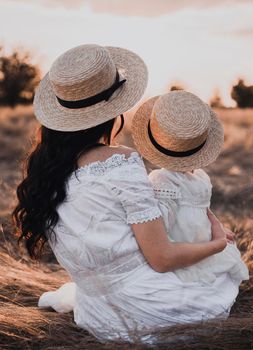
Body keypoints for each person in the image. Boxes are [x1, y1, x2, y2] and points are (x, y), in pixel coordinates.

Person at [13, 44, 238, 343]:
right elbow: (162, 258)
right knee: (225, 275)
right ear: (112, 111)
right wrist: (218, 244)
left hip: (96, 313)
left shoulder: (44, 171)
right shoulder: (120, 162)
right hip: (154, 311)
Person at [131, 90, 249, 285]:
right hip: (191, 246)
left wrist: (216, 231)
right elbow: (180, 221)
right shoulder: (189, 177)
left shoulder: (169, 179)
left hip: (188, 248)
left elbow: (188, 218)